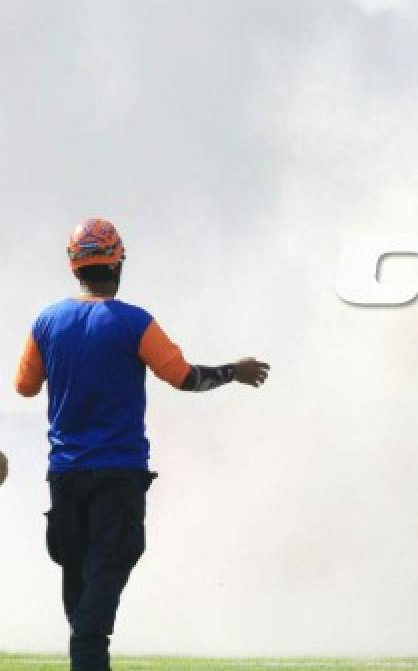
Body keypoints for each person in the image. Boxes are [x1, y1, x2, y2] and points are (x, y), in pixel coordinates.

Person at [14, 218, 270, 671]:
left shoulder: (47, 321)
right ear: (118, 263)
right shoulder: (135, 322)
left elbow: (25, 387)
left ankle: (87, 653)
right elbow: (185, 378)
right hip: (118, 474)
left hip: (66, 475)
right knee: (107, 569)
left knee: (79, 572)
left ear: (75, 267)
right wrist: (234, 371)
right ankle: (89, 656)